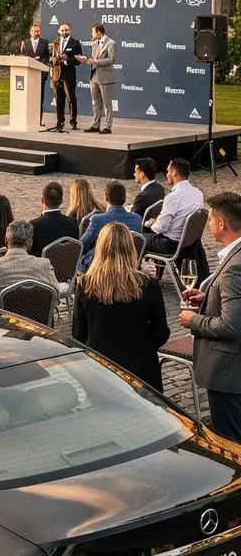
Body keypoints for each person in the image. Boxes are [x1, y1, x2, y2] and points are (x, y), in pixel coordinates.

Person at [73, 222, 169, 390]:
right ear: (131, 248)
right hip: (142, 367)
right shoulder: (148, 285)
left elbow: (78, 333)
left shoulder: (85, 285)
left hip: (100, 367)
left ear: (100, 248)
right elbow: (161, 332)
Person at [179, 190, 241, 441]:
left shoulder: (234, 266)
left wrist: (193, 320)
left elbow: (231, 325)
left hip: (229, 374)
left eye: (211, 220)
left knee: (230, 441)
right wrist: (208, 299)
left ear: (222, 223)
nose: (209, 226)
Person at [143, 158, 208, 282]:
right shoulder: (198, 193)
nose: (166, 174)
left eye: (168, 171)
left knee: (137, 238)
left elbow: (159, 228)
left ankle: (133, 278)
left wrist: (151, 223)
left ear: (174, 173)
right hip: (188, 242)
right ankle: (157, 275)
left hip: (171, 244)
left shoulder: (173, 197)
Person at [0, 220, 60, 308]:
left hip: (2, 316)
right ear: (30, 243)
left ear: (6, 241)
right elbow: (56, 296)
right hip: (37, 316)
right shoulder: (45, 265)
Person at [78, 180, 142, 273]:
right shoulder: (137, 219)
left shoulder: (98, 219)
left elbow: (83, 245)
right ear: (124, 198)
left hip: (100, 267)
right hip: (127, 265)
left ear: (106, 197)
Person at [48, 22, 84, 133]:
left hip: (69, 75)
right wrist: (53, 60)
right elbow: (51, 57)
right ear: (59, 31)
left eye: (66, 30)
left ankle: (73, 121)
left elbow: (79, 60)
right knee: (59, 99)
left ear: (70, 30)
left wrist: (66, 59)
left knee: (71, 98)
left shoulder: (75, 43)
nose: (64, 32)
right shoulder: (55, 42)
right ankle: (60, 121)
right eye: (62, 30)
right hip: (57, 74)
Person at [29, 180, 79, 257]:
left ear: (42, 200)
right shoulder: (73, 223)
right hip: (68, 263)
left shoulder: (34, 225)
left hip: (42, 264)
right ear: (62, 201)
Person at [85, 23, 117, 134]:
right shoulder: (95, 43)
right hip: (94, 76)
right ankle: (95, 125)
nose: (91, 34)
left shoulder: (111, 43)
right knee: (95, 102)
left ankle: (108, 127)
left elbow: (111, 60)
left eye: (93, 32)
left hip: (105, 77)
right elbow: (95, 58)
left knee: (107, 103)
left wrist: (95, 61)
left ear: (98, 32)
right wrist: (86, 59)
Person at [20, 23, 50, 124]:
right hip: (27, 74)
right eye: (35, 31)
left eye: (38, 31)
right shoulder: (25, 42)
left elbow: (47, 57)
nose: (37, 33)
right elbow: (22, 55)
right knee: (27, 98)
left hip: (40, 74)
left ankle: (38, 121)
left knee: (39, 98)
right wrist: (28, 59)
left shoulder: (44, 42)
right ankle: (26, 119)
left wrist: (40, 59)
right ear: (30, 32)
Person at [130, 157, 165, 221]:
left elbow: (132, 218)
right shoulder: (160, 188)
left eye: (135, 172)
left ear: (142, 174)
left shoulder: (142, 197)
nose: (134, 174)